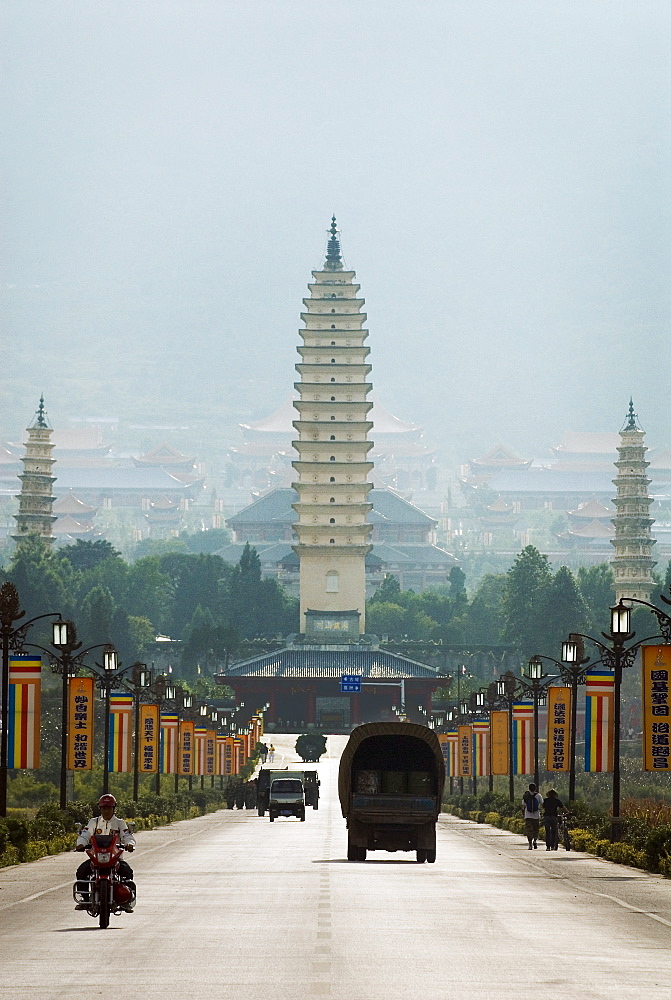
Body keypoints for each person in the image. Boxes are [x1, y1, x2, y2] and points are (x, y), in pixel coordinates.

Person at [75, 794, 136, 910]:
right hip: (96, 858)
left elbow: (127, 835)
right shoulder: (94, 822)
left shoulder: (120, 823)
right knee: (81, 871)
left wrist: (129, 844)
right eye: (104, 808)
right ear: (100, 809)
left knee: (127, 872)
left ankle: (127, 900)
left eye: (109, 808)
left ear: (114, 809)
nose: (106, 811)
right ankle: (85, 899)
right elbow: (86, 834)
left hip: (115, 859)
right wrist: (80, 844)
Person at [522, 783, 543, 850]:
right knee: (536, 829)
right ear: (535, 788)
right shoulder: (538, 795)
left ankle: (530, 843)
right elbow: (542, 804)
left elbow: (523, 805)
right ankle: (535, 840)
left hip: (528, 815)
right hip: (536, 815)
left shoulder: (526, 796)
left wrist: (523, 814)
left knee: (529, 830)